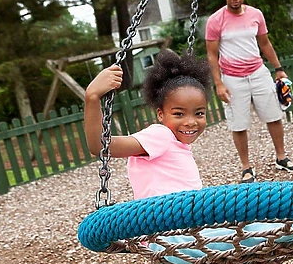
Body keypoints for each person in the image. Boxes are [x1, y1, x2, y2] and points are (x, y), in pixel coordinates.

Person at [205, 0, 293, 184]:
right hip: (232, 77)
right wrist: (218, 83)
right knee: (238, 124)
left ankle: (281, 157)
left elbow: (264, 43)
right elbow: (212, 55)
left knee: (274, 116)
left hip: (258, 72)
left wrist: (279, 69)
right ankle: (246, 167)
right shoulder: (215, 20)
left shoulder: (255, 14)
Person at [83, 49, 212, 199]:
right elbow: (101, 146)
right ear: (160, 114)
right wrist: (92, 97)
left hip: (186, 215)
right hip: (166, 218)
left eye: (199, 113)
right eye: (178, 114)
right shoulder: (161, 135)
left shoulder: (175, 142)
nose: (191, 122)